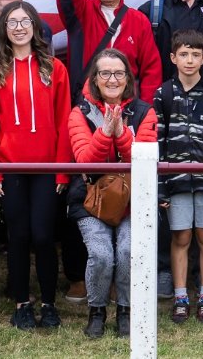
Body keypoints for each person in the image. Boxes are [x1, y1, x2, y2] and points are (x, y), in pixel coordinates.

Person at [0, 0, 73, 330]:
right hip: (11, 167)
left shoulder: (54, 68)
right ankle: (21, 303)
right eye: (11, 22)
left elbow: (64, 122)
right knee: (18, 235)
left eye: (24, 21)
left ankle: (47, 303)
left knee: (44, 236)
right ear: (3, 29)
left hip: (47, 168)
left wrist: (62, 169)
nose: (19, 27)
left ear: (35, 26)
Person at [68, 49, 159, 339]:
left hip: (133, 198)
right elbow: (84, 160)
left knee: (128, 250)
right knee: (101, 254)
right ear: (94, 79)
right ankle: (96, 310)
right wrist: (105, 131)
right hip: (91, 199)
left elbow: (142, 159)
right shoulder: (79, 113)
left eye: (119, 73)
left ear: (127, 78)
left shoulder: (146, 112)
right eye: (104, 73)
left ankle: (125, 310)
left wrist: (120, 133)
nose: (112, 79)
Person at [155, 29, 203, 325]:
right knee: (181, 236)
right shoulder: (163, 94)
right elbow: (158, 144)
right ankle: (180, 297)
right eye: (184, 54)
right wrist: (160, 187)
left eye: (195, 55)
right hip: (174, 182)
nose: (189, 60)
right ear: (173, 57)